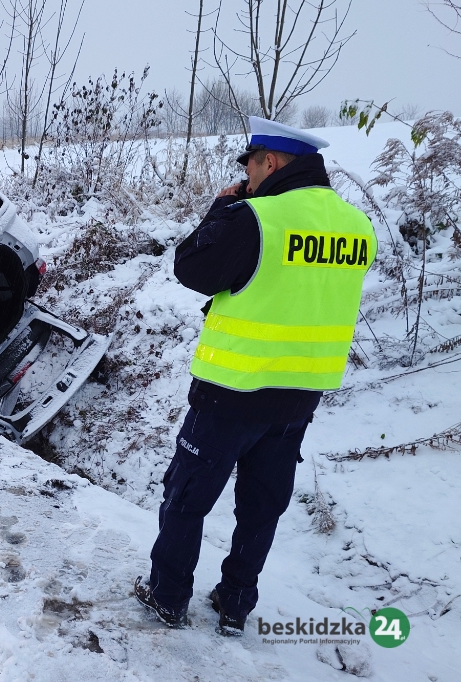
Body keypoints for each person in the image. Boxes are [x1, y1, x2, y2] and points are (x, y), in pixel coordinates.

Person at [134, 117, 377, 634]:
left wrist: (222, 210)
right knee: (261, 506)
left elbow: (192, 268)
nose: (246, 175)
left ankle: (167, 596)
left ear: (270, 161)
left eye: (249, 166)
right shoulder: (358, 226)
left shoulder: (256, 217)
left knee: (187, 498)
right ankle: (236, 602)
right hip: (300, 396)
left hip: (233, 391)